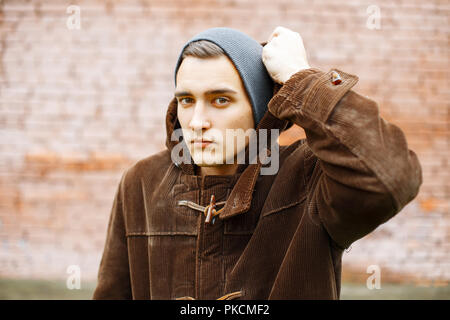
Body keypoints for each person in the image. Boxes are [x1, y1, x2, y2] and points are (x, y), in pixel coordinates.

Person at [92, 26, 422, 299]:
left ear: (259, 109)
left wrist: (301, 79)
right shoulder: (142, 183)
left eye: (220, 100)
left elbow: (392, 175)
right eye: (187, 100)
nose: (197, 121)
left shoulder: (307, 177)